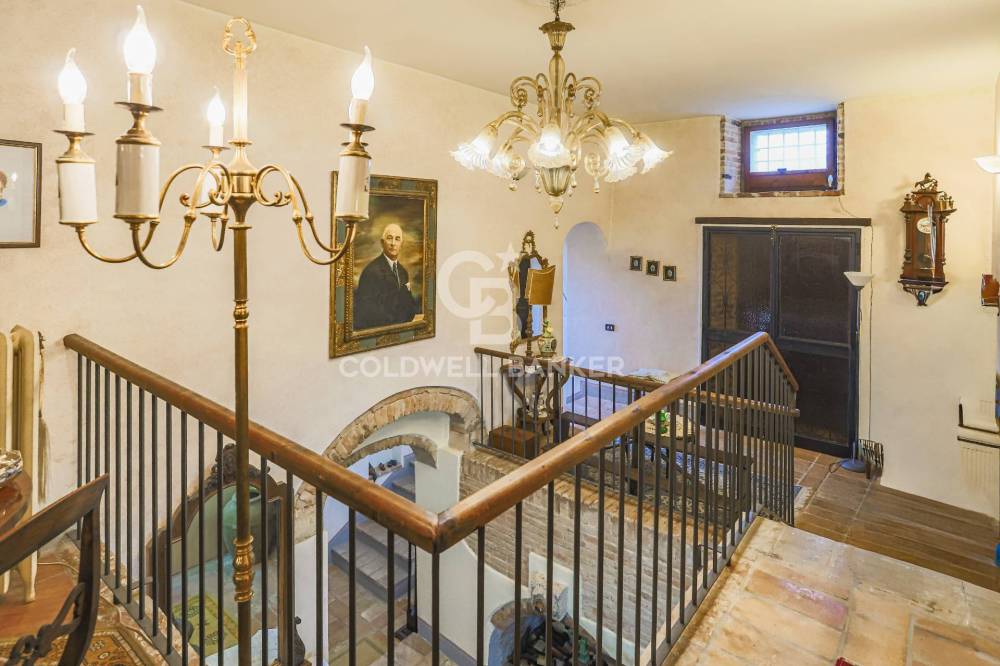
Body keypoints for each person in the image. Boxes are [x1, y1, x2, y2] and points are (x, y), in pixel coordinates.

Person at [354, 222, 419, 329]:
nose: (393, 243)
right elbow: (367, 312)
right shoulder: (371, 272)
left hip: (400, 329)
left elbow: (409, 305)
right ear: (382, 242)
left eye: (397, 239)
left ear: (401, 244)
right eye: (389, 238)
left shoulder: (403, 272)